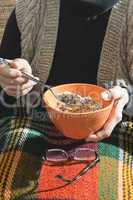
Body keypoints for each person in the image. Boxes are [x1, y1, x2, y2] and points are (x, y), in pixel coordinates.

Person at [0, 1, 133, 199]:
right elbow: (4, 92)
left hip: (116, 131)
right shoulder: (28, 9)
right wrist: (8, 83)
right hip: (30, 124)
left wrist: (128, 99)